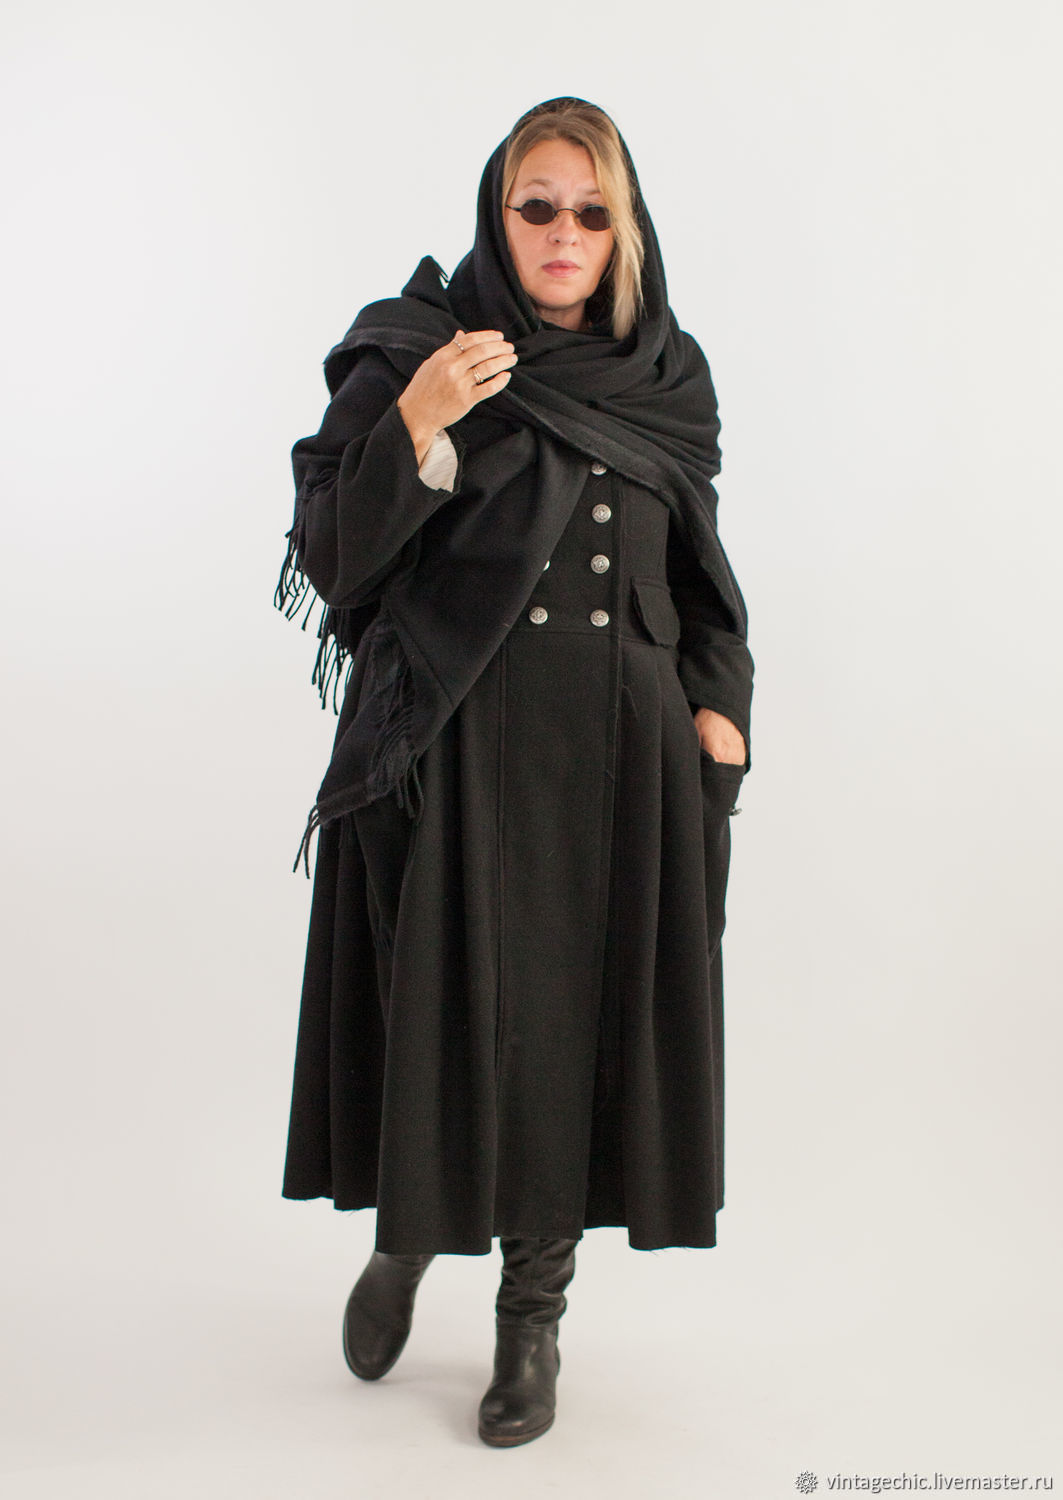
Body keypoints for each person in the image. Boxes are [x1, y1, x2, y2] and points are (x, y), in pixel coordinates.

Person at [274, 96, 754, 1448]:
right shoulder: (418, 349)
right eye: (537, 205)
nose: (562, 232)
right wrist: (419, 422)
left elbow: (701, 577)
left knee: (575, 1040)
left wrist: (721, 713)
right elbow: (334, 559)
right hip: (458, 750)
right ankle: (407, 1242)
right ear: (499, 214)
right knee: (446, 1024)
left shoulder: (668, 378)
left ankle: (531, 1321)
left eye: (591, 211)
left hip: (620, 763)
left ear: (624, 230)